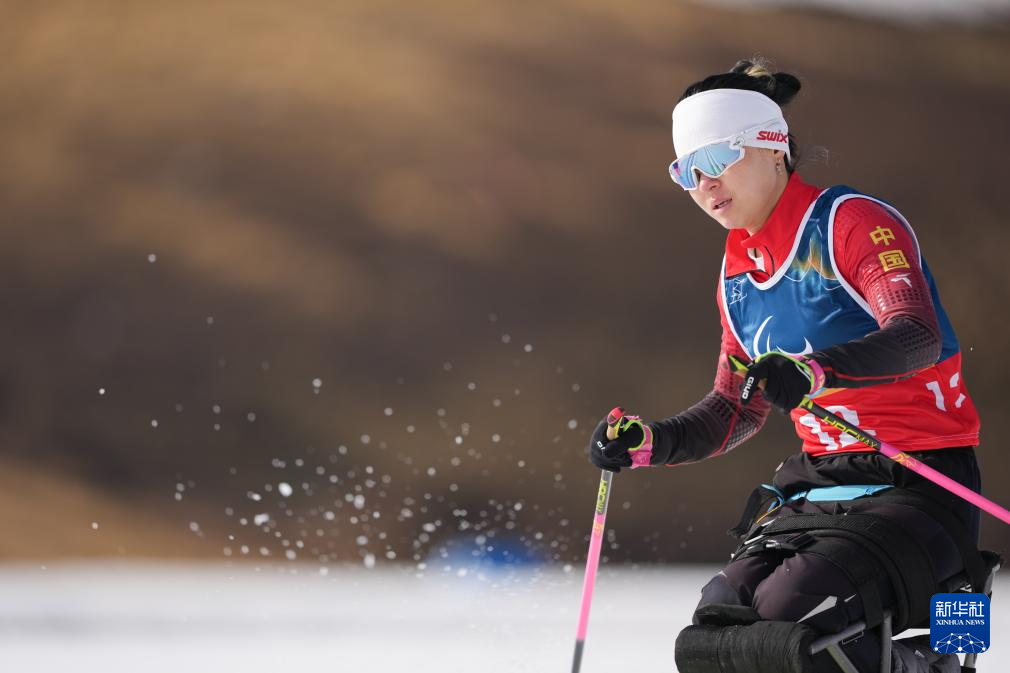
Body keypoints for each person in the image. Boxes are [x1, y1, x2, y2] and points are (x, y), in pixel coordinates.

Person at [587, 59, 987, 673]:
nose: (704, 184)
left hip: (920, 476)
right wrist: (650, 443)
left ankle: (935, 662)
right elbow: (734, 408)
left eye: (716, 158)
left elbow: (916, 336)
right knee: (715, 629)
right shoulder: (736, 274)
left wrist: (813, 371)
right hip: (819, 484)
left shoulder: (850, 222)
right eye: (686, 170)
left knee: (787, 617)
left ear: (772, 146)